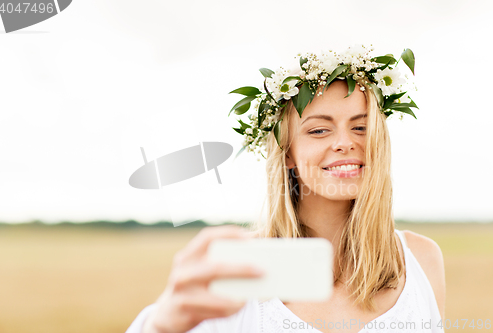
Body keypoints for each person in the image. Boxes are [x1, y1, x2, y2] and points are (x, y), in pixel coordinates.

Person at [126, 45, 446, 333]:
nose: (346, 142)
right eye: (319, 130)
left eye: (361, 127)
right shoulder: (241, 265)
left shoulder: (421, 259)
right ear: (288, 153)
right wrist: (160, 325)